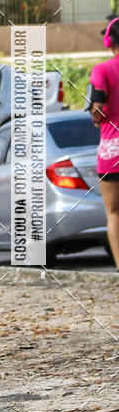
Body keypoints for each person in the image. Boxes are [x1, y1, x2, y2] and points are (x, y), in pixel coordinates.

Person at [89, 17, 119, 267]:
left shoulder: (102, 70)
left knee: (114, 213)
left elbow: (98, 108)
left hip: (113, 153)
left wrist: (95, 116)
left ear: (109, 41)